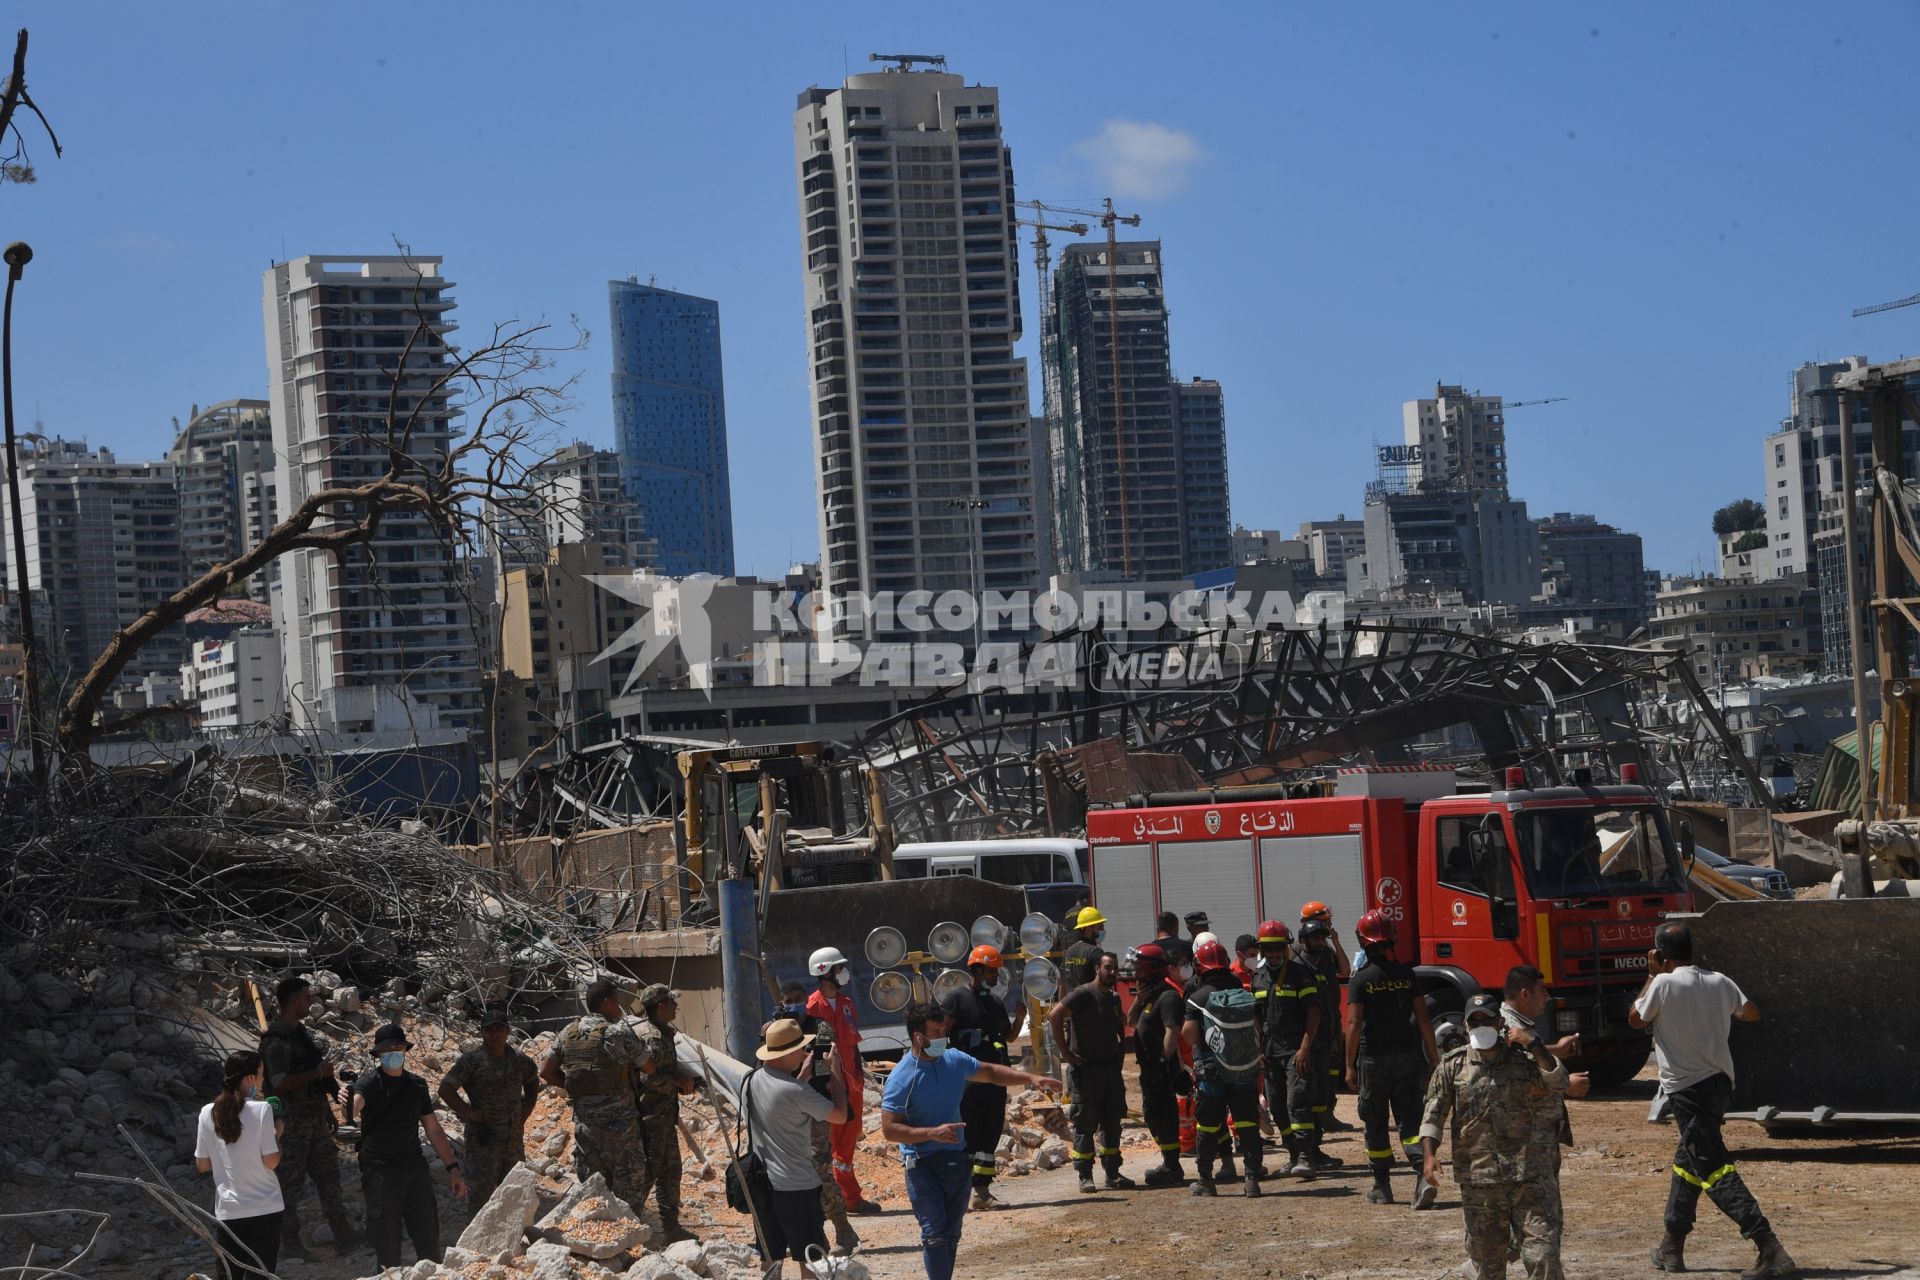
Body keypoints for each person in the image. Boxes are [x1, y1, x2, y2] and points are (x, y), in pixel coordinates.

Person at [1629, 921, 1795, 1279]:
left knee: (1713, 1168)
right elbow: (1751, 1012)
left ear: (1659, 954)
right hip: (1720, 1085)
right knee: (1687, 1162)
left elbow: (1634, 1019)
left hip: (1687, 1089)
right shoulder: (1720, 981)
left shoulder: (1662, 982)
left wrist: (1651, 975)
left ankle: (1769, 1246)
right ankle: (1671, 1246)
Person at [879, 1002, 1062, 1280]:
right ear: (919, 1037)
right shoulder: (902, 1078)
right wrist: (930, 1133)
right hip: (923, 1166)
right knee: (935, 1236)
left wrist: (1030, 1077)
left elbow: (989, 1072)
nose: (943, 1036)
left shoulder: (953, 1059)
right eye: (936, 1032)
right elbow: (890, 1129)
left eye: (944, 1030)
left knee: (951, 1236)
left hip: (956, 1161)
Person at [1419, 994, 1570, 1280]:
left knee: (1543, 1255)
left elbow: (1558, 1080)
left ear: (1500, 1022)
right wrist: (1429, 1155)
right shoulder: (1452, 1066)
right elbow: (1433, 1114)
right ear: (1465, 1025)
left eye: (1487, 1020)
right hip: (1480, 1182)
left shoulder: (1522, 1061)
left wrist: (1534, 1043)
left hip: (1528, 1177)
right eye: (1474, 1021)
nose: (1481, 1026)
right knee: (1487, 1265)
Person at [351, 1024, 467, 1270]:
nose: (393, 1052)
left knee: (428, 1241)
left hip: (414, 1168)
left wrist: (453, 1168)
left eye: (398, 1047)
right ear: (378, 1054)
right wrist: (347, 1101)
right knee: (387, 1246)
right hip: (380, 1171)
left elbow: (433, 1129)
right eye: (388, 1049)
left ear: (405, 1049)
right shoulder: (370, 1082)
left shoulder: (417, 1085)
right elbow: (355, 1104)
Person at [1344, 908, 1438, 1207]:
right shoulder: (1407, 975)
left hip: (1374, 1061)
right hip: (1408, 1057)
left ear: (1363, 940)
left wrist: (1348, 1065)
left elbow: (1354, 1024)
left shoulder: (1361, 980)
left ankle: (1382, 1187)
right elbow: (1424, 1020)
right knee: (1410, 1124)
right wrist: (1434, 1058)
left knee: (1374, 1121)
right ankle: (1422, 1175)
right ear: (1391, 939)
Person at [258, 976, 357, 1258]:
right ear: (292, 1001)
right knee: (290, 1183)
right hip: (290, 1123)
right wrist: (318, 1074)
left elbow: (315, 1076)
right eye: (306, 998)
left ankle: (342, 1232)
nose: (310, 1002)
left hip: (313, 1118)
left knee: (329, 1176)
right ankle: (289, 1242)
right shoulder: (276, 1040)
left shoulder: (299, 1034)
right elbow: (278, 1082)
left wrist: (326, 1110)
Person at [742, 1018, 850, 1277]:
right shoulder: (797, 1091)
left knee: (771, 1258)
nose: (804, 1054)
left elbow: (781, 1101)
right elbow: (840, 1115)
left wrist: (802, 1078)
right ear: (788, 1052)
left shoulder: (751, 1080)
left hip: (763, 1186)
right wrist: (835, 1072)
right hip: (797, 1187)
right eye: (801, 1049)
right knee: (811, 1258)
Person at [1502, 964, 1590, 1276]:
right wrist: (1567, 1084)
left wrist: (1555, 1051)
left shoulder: (1521, 1026)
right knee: (1544, 1226)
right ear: (1524, 993)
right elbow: (1516, 1069)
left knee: (1534, 1226)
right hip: (1527, 1148)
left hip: (1538, 1145)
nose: (1547, 998)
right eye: (1542, 991)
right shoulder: (1507, 1026)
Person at [541, 978, 648, 1211]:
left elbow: (545, 1071)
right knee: (628, 1189)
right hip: (622, 1129)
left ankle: (597, 1241)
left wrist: (574, 1088)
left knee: (593, 1193)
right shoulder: (618, 1033)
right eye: (617, 1002)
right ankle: (629, 1240)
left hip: (586, 1127)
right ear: (608, 1002)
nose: (619, 1007)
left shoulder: (568, 1032)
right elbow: (649, 1066)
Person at [937, 945, 1026, 1210]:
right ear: (976, 970)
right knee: (968, 1135)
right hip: (967, 1082)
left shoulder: (995, 1002)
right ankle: (959, 1192)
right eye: (991, 970)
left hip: (995, 1080)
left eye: (997, 971)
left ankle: (982, 1191)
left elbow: (1008, 1036)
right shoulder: (956, 999)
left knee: (990, 1134)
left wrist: (1020, 1018)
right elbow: (940, 1032)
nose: (996, 976)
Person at [1182, 937, 1268, 1197]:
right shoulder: (1243, 992)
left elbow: (1188, 1033)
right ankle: (1252, 1180)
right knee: (1247, 1123)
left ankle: (1206, 1181)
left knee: (1208, 1125)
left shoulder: (1198, 997)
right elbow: (1256, 1026)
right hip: (1243, 1068)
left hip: (1211, 1069)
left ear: (1201, 966)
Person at [778, 979, 859, 1255]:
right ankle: (809, 1235)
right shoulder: (775, 1028)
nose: (793, 1004)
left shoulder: (819, 1026)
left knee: (819, 1168)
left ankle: (843, 1230)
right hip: (786, 1107)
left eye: (797, 998)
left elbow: (826, 1066)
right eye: (788, 1000)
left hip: (814, 1105)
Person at [1046, 949, 1133, 1193]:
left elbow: (1119, 1027)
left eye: (1115, 968)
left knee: (1112, 1123)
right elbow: (1055, 1015)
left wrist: (1120, 1052)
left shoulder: (1114, 998)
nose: (1112, 972)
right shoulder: (1083, 994)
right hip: (1086, 1071)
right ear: (1097, 969)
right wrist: (1065, 1054)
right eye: (1108, 967)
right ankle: (1085, 1175)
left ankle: (1113, 1173)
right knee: (1085, 1125)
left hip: (1110, 1071)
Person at [438, 1009, 539, 1212]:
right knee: (481, 1195)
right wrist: (470, 1113)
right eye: (489, 1030)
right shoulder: (472, 1061)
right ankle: (478, 1240)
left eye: (499, 1029)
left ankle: (511, 1237)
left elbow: (533, 1078)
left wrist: (528, 1106)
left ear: (507, 1031)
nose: (495, 1035)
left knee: (514, 1192)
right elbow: (445, 1089)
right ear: (483, 1033)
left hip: (513, 1141)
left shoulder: (518, 1059)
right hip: (483, 1141)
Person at [195, 1050, 284, 1280]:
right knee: (260, 1274)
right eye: (261, 1074)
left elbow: (203, 1164)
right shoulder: (262, 1109)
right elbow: (271, 1161)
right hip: (265, 1207)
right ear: (250, 1079)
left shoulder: (207, 1113)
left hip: (228, 1209)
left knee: (228, 1274)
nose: (263, 1080)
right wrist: (277, 1135)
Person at [805, 946, 878, 1215]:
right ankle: (843, 1197)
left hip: (852, 1084)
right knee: (833, 1144)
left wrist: (859, 1076)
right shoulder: (814, 1006)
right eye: (839, 968)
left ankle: (848, 1196)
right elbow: (817, 1050)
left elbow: (852, 1045)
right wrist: (828, 1085)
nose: (844, 972)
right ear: (825, 972)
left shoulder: (846, 1004)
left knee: (848, 1141)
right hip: (831, 1086)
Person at [1252, 919, 1327, 1178]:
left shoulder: (1299, 974)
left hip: (1295, 1052)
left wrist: (1305, 1048)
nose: (1273, 954)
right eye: (1269, 949)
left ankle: (1306, 1156)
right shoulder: (1258, 978)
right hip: (1271, 1053)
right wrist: (1259, 1048)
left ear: (1285, 948)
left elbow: (1314, 1012)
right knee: (1277, 1106)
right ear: (1262, 949)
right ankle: (1293, 1154)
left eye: (1278, 949)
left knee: (1298, 1102)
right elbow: (1257, 1017)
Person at [631, 983, 701, 1244]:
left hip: (664, 1116)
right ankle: (629, 1225)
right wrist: (677, 1082)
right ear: (660, 1006)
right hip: (652, 1118)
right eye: (672, 1002)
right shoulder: (652, 1037)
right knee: (648, 1172)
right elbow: (647, 1079)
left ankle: (671, 1228)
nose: (676, 1006)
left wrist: (683, 1084)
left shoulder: (663, 1033)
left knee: (671, 1171)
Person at [1125, 944, 1190, 1186]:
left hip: (1161, 1069)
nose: (1136, 972)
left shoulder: (1168, 997)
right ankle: (1169, 1162)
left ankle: (1172, 1167)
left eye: (1140, 968)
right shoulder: (1149, 996)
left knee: (1164, 1116)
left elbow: (1172, 1031)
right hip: (1148, 1069)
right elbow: (1131, 1022)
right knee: (1152, 1115)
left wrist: (1164, 1061)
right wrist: (1138, 1001)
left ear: (1151, 970)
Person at [1299, 903, 1354, 1134]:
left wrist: (1336, 941)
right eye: (1325, 921)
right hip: (1311, 1024)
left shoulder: (1326, 950)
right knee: (1314, 1075)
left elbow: (1345, 971)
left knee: (1331, 1069)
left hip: (1330, 1019)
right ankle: (1317, 1120)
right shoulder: (1299, 951)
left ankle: (1328, 1114)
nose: (1329, 924)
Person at [1060, 906, 1108, 991]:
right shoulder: (1096, 952)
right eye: (1100, 926)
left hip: (1072, 1003)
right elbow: (1102, 984)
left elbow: (1063, 983)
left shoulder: (1069, 952)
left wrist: (1062, 1003)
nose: (1102, 929)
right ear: (1089, 930)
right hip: (1091, 1002)